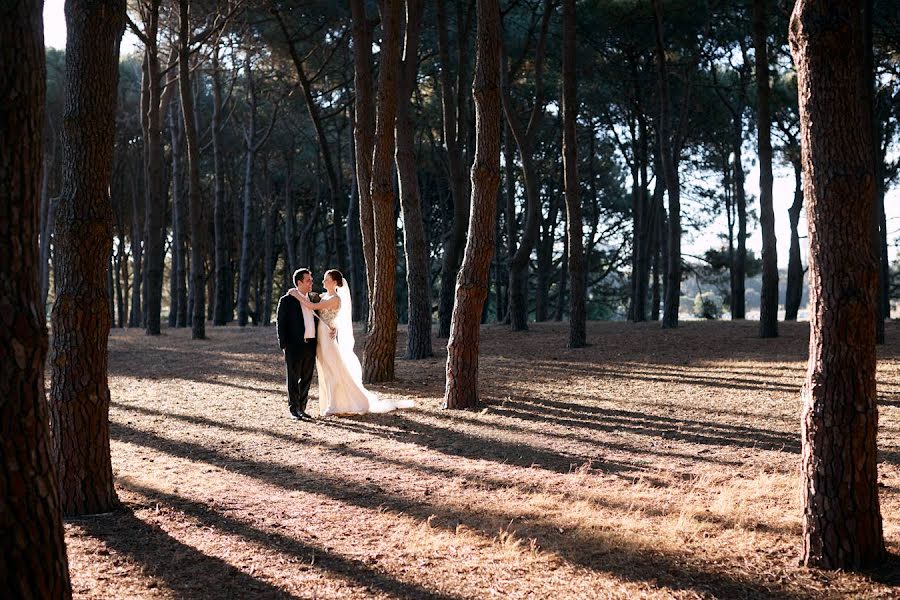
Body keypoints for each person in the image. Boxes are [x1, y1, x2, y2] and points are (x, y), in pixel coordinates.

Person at [288, 269, 414, 416]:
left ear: (335, 282)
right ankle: (330, 402)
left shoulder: (335, 299)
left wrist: (295, 294)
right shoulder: (324, 296)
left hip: (327, 340)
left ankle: (335, 405)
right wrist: (330, 325)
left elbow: (313, 307)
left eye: (326, 279)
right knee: (326, 372)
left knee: (334, 371)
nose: (323, 282)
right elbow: (314, 308)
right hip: (321, 337)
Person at [275, 269, 319, 420]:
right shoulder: (287, 300)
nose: (311, 282)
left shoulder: (313, 299)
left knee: (307, 378)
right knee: (293, 379)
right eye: (308, 280)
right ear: (299, 283)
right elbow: (281, 324)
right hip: (293, 346)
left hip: (311, 345)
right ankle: (294, 409)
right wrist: (284, 345)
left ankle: (302, 408)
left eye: (311, 280)